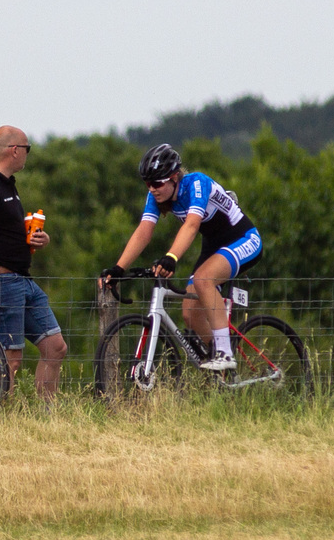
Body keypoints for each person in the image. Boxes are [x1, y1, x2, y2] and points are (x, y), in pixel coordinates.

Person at [106, 144, 260, 372]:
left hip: (244, 239)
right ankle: (224, 368)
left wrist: (171, 257)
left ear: (174, 177)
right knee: (189, 313)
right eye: (147, 183)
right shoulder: (156, 196)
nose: (152, 188)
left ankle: (225, 354)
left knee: (204, 279)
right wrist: (119, 268)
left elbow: (191, 225)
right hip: (214, 246)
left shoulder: (197, 183)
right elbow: (144, 231)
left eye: (157, 183)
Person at [0, 126, 65, 400]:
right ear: (14, 150)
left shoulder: (6, 184)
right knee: (10, 358)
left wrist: (34, 239)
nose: (27, 155)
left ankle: (47, 416)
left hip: (23, 280)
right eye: (27, 148)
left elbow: (3, 231)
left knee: (55, 347)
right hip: (3, 284)